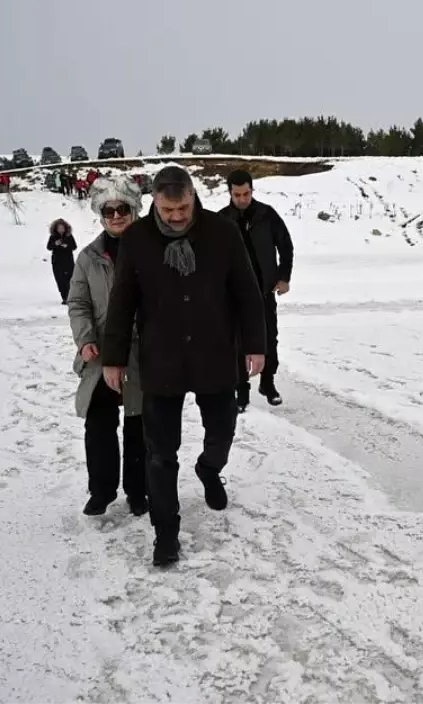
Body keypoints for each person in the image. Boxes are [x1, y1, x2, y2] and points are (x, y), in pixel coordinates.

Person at [101, 165, 266, 568]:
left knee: (223, 431)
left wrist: (257, 346)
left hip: (215, 354)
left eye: (183, 207)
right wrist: (114, 357)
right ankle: (166, 534)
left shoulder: (221, 232)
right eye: (169, 208)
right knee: (161, 454)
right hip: (162, 361)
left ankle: (210, 469)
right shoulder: (137, 239)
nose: (176, 216)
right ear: (154, 200)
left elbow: (246, 291)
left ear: (194, 196)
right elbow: (122, 302)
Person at [67, 178, 149, 518]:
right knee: (99, 425)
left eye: (123, 209)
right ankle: (101, 491)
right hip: (101, 355)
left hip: (141, 355)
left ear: (134, 210)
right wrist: (85, 339)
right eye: (109, 210)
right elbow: (78, 303)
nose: (116, 216)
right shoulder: (88, 257)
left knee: (139, 425)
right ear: (101, 214)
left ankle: (138, 490)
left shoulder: (152, 249)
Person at [218, 169, 294, 410]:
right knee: (238, 343)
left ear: (252, 190)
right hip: (234, 297)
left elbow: (286, 246)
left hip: (264, 291)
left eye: (246, 193)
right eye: (237, 194)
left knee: (269, 339)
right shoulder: (221, 220)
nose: (242, 199)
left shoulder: (266, 215)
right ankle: (242, 391)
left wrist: (284, 277)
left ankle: (268, 383)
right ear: (229, 192)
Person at [47, 219, 77, 304]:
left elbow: (74, 246)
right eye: (59, 228)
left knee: (69, 279)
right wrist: (55, 244)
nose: (61, 230)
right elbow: (49, 247)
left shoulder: (69, 236)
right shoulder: (53, 237)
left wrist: (67, 246)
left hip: (68, 261)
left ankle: (69, 297)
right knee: (60, 280)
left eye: (62, 228)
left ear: (65, 228)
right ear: (55, 228)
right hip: (57, 261)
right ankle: (64, 297)